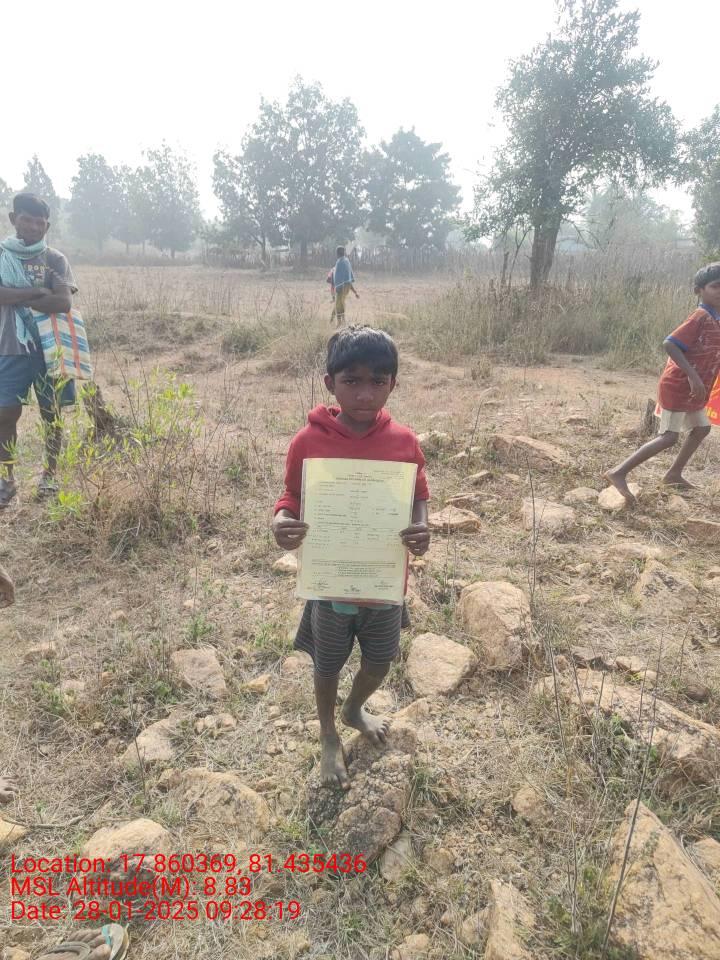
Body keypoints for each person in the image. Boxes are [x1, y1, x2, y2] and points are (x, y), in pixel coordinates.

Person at [272, 326, 430, 789]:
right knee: (327, 665)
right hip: (332, 584)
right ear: (330, 383)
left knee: (379, 661)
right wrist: (282, 521)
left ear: (392, 385)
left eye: (378, 382)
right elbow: (291, 496)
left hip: (381, 583)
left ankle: (354, 708)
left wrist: (421, 527)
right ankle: (327, 732)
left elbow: (418, 495)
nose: (365, 393)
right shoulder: (308, 441)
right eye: (352, 381)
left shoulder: (404, 441)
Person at [605, 262, 720, 503]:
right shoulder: (700, 316)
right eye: (715, 286)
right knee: (669, 437)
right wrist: (692, 376)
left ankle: (673, 474)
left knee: (702, 428)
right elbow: (670, 344)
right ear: (699, 291)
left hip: (695, 389)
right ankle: (618, 472)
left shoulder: (715, 318)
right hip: (679, 385)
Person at [0, 193, 78, 507]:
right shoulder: (2, 255)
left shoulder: (54, 260)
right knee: (5, 414)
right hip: (10, 347)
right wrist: (36, 291)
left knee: (52, 414)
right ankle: (6, 480)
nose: (33, 227)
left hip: (48, 348)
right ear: (13, 219)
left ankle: (50, 475)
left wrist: (15, 295)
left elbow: (63, 301)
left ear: (47, 225)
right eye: (26, 220)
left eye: (39, 222)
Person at [330, 245, 359, 326]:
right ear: (344, 252)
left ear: (337, 253)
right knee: (340, 303)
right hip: (348, 286)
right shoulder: (347, 261)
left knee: (338, 305)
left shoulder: (339, 262)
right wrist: (355, 292)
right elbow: (348, 276)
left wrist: (338, 287)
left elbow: (338, 277)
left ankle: (340, 323)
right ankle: (335, 321)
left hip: (341, 286)